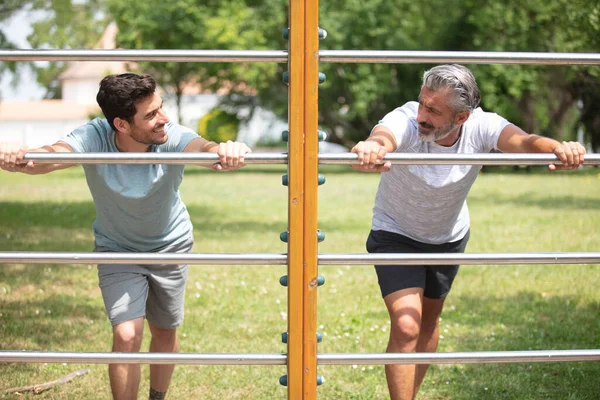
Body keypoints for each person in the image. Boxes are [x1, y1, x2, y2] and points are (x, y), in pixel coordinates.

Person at [0, 73, 251, 400]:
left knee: (164, 331)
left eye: (160, 108)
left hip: (170, 246)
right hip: (117, 249)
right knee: (127, 335)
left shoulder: (170, 135)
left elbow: (207, 150)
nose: (163, 119)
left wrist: (225, 149)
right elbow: (50, 156)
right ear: (120, 124)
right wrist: (18, 155)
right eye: (150, 115)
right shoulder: (94, 136)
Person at [350, 64, 586, 400]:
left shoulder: (481, 126)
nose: (422, 114)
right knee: (406, 325)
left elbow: (523, 141)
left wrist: (559, 147)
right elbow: (384, 135)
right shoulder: (407, 119)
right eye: (422, 102)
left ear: (461, 117)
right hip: (396, 231)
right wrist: (374, 147)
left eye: (434, 109)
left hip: (448, 236)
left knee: (429, 323)